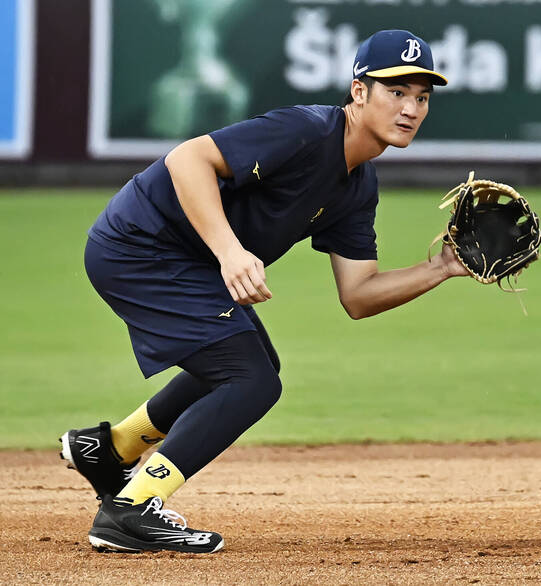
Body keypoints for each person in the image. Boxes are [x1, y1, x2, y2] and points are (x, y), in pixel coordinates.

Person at [60, 29, 467, 554]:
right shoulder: (306, 131)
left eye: (422, 96)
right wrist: (230, 252)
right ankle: (132, 508)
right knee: (250, 381)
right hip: (140, 246)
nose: (410, 108)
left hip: (181, 258)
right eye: (396, 91)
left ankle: (111, 450)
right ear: (359, 91)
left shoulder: (358, 184)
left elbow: (359, 294)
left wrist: (443, 267)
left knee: (254, 365)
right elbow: (187, 159)